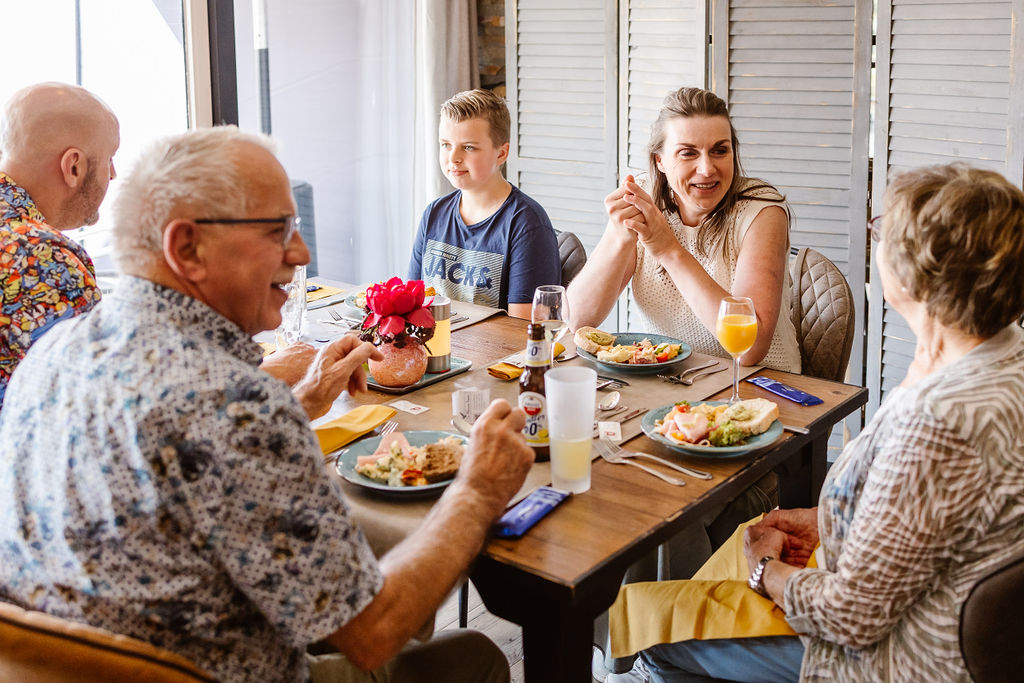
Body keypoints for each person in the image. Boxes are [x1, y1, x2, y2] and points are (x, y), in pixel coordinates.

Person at [0, 126, 535, 683]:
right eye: (278, 231)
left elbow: (186, 458)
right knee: (477, 656)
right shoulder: (233, 403)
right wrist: (477, 491)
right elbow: (372, 632)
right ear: (186, 248)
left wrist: (300, 401)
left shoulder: (51, 353)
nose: (300, 253)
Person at [609, 163, 1024, 682]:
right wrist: (826, 520)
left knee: (657, 629)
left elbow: (852, 616)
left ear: (920, 274)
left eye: (882, 230)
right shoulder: (1006, 353)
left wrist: (767, 572)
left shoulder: (939, 423)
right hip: (942, 611)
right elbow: (935, 515)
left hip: (901, 656)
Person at [567, 87, 800, 373]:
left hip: (761, 388)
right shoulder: (643, 200)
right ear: (660, 161)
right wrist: (619, 237)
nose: (707, 169)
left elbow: (749, 348)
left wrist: (667, 249)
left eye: (719, 151)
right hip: (671, 381)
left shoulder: (762, 212)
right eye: (688, 153)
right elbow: (577, 319)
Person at [0, 82, 119, 408]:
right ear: (74, 166)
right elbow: (95, 408)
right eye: (110, 158)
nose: (114, 174)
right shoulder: (41, 257)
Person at [408, 88, 560, 319]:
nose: (453, 158)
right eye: (445, 144)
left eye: (468, 147)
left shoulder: (527, 224)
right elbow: (410, 301)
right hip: (435, 350)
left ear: (501, 154)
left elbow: (522, 332)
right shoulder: (434, 214)